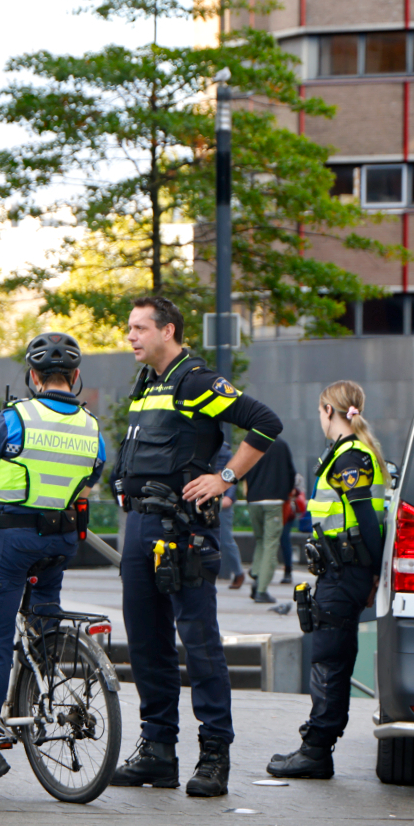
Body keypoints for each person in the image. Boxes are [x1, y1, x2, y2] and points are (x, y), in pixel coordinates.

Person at [110, 296, 284, 797]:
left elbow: (265, 423)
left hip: (183, 530)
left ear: (168, 331)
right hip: (141, 527)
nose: (131, 336)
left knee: (200, 644)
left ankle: (214, 757)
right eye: (130, 327)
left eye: (140, 327)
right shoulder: (146, 382)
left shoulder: (195, 381)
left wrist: (224, 477)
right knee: (147, 645)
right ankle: (158, 753)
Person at [0, 332, 105, 795]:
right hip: (61, 539)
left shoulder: (13, 419)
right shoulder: (91, 427)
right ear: (76, 378)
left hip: (11, 538)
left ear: (32, 377)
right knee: (43, 610)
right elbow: (86, 486)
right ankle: (45, 668)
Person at [268, 381, 388, 780]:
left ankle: (316, 749)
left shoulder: (350, 456)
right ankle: (318, 746)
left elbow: (367, 523)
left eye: (321, 412)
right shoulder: (348, 453)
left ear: (327, 409)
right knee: (331, 655)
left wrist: (373, 573)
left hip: (346, 572)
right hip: (342, 571)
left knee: (329, 660)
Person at [241, 436, 296, 604]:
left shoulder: (252, 443)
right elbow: (290, 472)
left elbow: (243, 469)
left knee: (260, 540)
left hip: (254, 501)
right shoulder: (281, 445)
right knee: (271, 543)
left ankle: (257, 573)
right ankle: (261, 590)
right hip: (274, 501)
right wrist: (285, 493)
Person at [211, 437, 246, 590]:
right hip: (208, 496)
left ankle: (238, 572)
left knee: (225, 539)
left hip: (221, 499)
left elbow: (232, 474)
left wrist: (229, 497)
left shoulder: (223, 450)